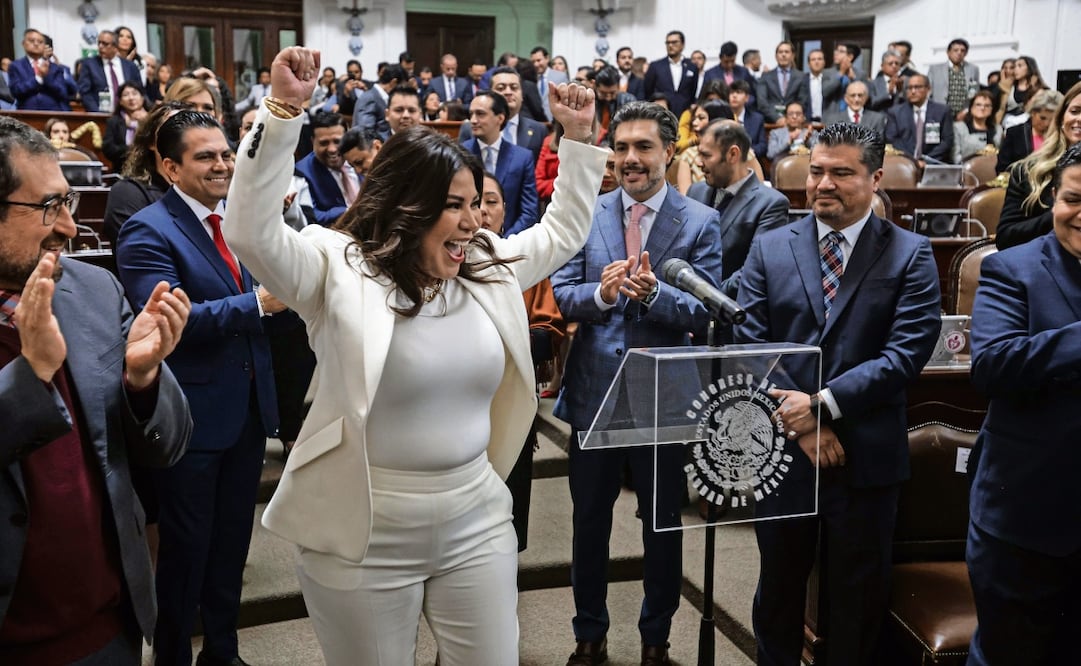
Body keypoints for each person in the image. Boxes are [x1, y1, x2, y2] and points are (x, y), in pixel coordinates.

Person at [221, 46, 605, 665]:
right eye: (452, 205)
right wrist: (283, 111)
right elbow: (251, 232)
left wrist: (579, 139)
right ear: (407, 205)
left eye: (474, 203)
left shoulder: (486, 264)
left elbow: (561, 232)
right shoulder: (334, 268)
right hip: (364, 527)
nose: (471, 222)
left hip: (476, 514)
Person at [735, 122, 941, 665]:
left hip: (864, 455)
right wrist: (801, 424)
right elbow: (751, 346)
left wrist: (821, 407)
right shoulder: (770, 247)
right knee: (778, 593)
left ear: (875, 179)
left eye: (841, 173)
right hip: (785, 453)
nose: (823, 184)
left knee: (857, 601)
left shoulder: (910, 254)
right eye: (816, 171)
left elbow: (903, 357)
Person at [0, 115, 192, 664]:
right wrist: (30, 375)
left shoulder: (93, 289)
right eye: (47, 207)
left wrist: (142, 380)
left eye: (67, 201)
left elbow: (169, 445)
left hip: (109, 628)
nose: (69, 226)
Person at [551, 101, 723, 666]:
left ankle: (656, 641)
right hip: (595, 391)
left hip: (663, 397)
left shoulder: (699, 220)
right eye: (621, 147)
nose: (630, 158)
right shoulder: (587, 211)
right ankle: (589, 635)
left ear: (669, 152)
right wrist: (602, 295)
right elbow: (562, 293)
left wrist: (654, 295)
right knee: (589, 523)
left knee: (662, 525)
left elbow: (704, 309)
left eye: (643, 146)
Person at [115, 111, 286, 666]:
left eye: (226, 153)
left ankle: (222, 652)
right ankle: (172, 659)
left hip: (247, 410)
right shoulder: (147, 229)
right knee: (185, 553)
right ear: (170, 168)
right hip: (190, 416)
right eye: (205, 156)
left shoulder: (237, 220)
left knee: (231, 546)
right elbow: (168, 321)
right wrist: (257, 303)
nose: (222, 165)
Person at [966, 142, 1081, 665]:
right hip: (1027, 514)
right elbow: (993, 366)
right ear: (1053, 197)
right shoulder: (1013, 268)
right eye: (1073, 199)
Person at [477, 171, 567, 551]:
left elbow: (547, 330)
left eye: (491, 202)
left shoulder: (518, 261)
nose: (482, 211)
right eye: (474, 202)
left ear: (505, 210)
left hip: (512, 394)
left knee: (507, 519)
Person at [691, 119, 790, 301]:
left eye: (706, 155)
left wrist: (703, 297)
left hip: (731, 309)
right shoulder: (695, 192)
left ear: (733, 154)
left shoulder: (771, 204)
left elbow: (753, 269)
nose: (698, 162)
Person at [996, 82, 1081, 250]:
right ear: (1061, 118)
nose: (1079, 119)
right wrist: (1061, 211)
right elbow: (1006, 237)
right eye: (1075, 111)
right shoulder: (1027, 171)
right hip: (1044, 260)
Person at [103, 102, 186, 249]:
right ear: (151, 142)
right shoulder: (128, 193)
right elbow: (141, 253)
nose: (184, 138)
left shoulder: (209, 192)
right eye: (173, 130)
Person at [886, 72, 954, 165]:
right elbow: (893, 140)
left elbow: (947, 141)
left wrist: (926, 161)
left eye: (917, 87)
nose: (913, 91)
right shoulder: (896, 112)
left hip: (934, 163)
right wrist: (913, 161)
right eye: (909, 88)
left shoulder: (942, 111)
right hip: (905, 164)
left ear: (928, 89)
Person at [996, 88, 1063, 173]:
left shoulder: (1060, 135)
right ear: (1033, 113)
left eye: (1052, 120)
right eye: (1042, 118)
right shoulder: (1014, 133)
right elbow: (1002, 167)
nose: (1047, 123)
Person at [8, 28, 75, 111]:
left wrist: (46, 78)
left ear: (45, 46)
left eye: (40, 42)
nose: (36, 44)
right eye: (32, 41)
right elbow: (16, 91)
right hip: (27, 112)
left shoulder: (55, 67)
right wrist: (38, 78)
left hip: (53, 112)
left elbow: (62, 92)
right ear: (23, 44)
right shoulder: (16, 66)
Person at [674, 100, 733, 193]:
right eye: (694, 119)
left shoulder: (740, 151)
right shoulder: (688, 155)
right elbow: (685, 196)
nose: (694, 123)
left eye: (701, 118)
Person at [77, 30, 142, 112]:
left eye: (105, 44)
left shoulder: (130, 66)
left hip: (128, 114)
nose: (100, 46)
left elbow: (140, 90)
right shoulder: (90, 64)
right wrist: (97, 113)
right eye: (99, 43)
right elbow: (85, 92)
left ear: (115, 47)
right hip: (100, 113)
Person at [643, 30, 699, 117]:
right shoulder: (655, 66)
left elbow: (692, 91)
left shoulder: (692, 67)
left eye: (674, 42)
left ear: (682, 45)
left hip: (685, 113)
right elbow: (648, 91)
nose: (670, 45)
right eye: (668, 43)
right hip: (661, 113)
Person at [103, 81, 151, 168]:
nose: (131, 98)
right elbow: (108, 149)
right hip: (121, 168)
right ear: (120, 101)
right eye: (126, 95)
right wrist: (131, 150)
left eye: (134, 93)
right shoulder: (114, 121)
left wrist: (146, 121)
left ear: (142, 98)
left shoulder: (152, 119)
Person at [996, 55, 1048, 126]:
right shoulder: (1009, 87)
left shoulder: (1038, 89)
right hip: (1008, 124)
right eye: (1015, 67)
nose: (1016, 69)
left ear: (1029, 68)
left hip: (1029, 125)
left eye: (1020, 66)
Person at [952, 89, 1001, 164]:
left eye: (987, 105)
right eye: (978, 105)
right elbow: (955, 157)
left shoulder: (998, 130)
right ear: (971, 108)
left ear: (992, 109)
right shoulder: (958, 128)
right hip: (966, 168)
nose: (982, 108)